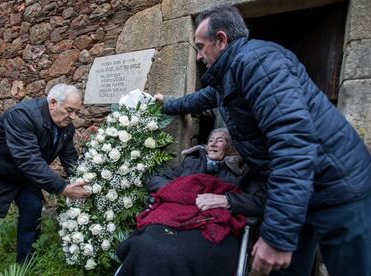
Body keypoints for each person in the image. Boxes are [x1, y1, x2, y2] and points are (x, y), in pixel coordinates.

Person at [154, 5, 371, 276]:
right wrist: (164, 104)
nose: (198, 56)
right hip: (299, 191)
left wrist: (278, 235)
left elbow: (292, 143)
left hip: (337, 187)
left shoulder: (257, 63)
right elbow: (197, 99)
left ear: (221, 40)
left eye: (200, 46)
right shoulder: (228, 77)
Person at [0, 83, 90, 275]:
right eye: (70, 110)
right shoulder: (22, 115)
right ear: (53, 103)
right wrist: (62, 187)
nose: (73, 117)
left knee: (33, 207)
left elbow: (69, 159)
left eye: (77, 112)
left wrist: (84, 180)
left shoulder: (66, 127)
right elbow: (28, 159)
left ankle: (26, 260)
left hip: (20, 175)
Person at [116, 128, 266, 276]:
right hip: (172, 217)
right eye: (210, 141)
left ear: (231, 148)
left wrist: (227, 199)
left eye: (220, 141)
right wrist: (181, 190)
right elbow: (154, 179)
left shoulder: (242, 169)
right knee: (143, 245)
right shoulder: (191, 162)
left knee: (181, 255)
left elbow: (260, 201)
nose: (213, 144)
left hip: (211, 225)